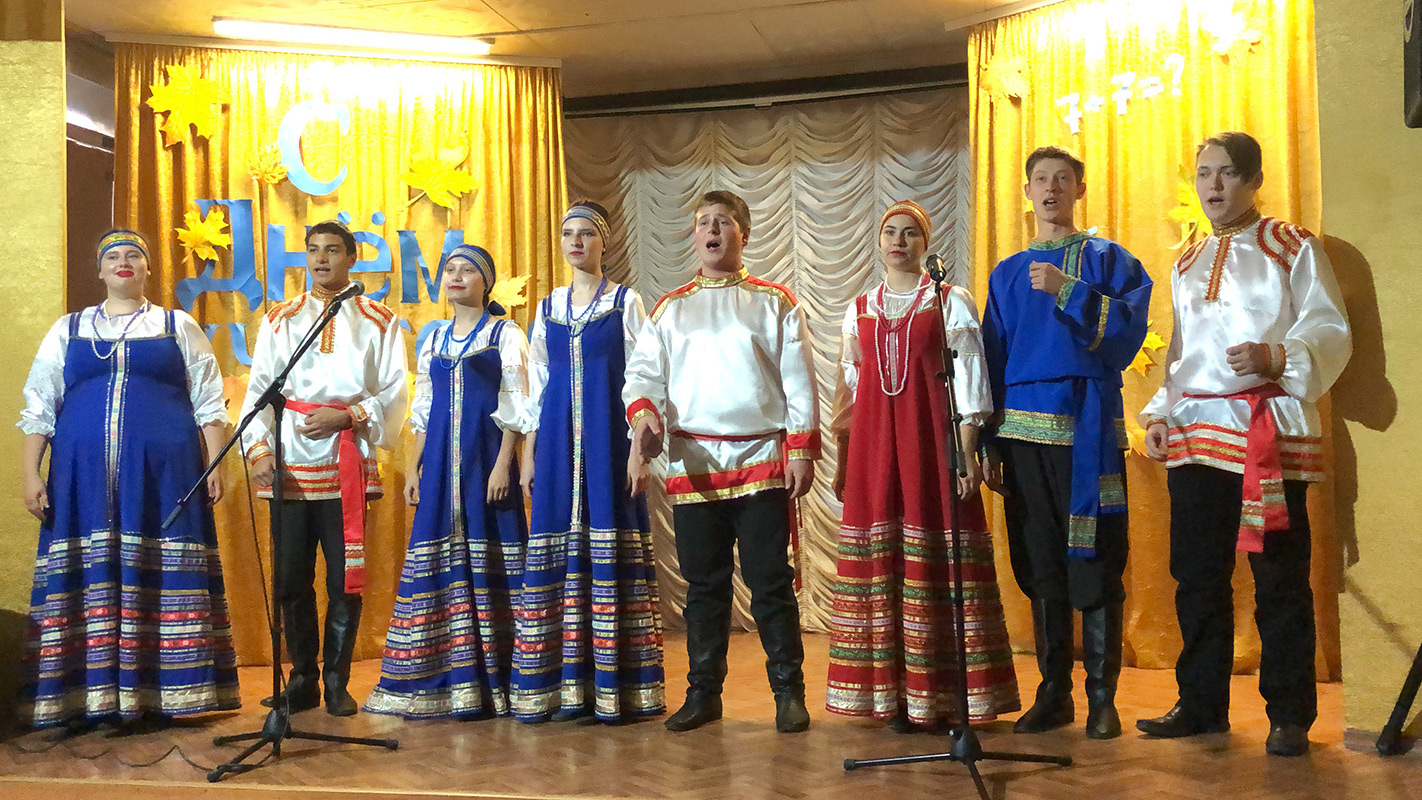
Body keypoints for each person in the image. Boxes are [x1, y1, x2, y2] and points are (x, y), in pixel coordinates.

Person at [1136, 132, 1351, 757]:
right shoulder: (1186, 261)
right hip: (1196, 432)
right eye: (1204, 173)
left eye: (1227, 173)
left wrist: (1276, 356)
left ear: (1254, 180)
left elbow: (1330, 325)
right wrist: (1161, 411)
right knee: (1196, 575)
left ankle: (1289, 714)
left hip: (1266, 431)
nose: (1213, 185)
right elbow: (1182, 350)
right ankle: (1201, 704)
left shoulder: (1291, 245)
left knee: (1278, 577)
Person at [19, 229, 239, 730]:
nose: (124, 262)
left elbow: (209, 400)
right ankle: (87, 697)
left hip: (166, 477)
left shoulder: (177, 325)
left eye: (134, 255)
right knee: (89, 574)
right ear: (99, 271)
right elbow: (40, 406)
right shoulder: (69, 329)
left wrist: (216, 463)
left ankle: (167, 694)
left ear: (147, 268)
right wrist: (31, 472)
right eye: (113, 256)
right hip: (81, 480)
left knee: (159, 571)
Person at [624, 190, 820, 734]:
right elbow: (643, 376)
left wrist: (801, 448)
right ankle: (703, 694)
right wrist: (645, 419)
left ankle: (788, 693)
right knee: (703, 586)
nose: (712, 230)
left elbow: (799, 380)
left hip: (761, 459)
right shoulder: (670, 309)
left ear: (743, 234)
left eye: (723, 222)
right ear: (694, 236)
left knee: (770, 581)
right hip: (695, 464)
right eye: (703, 222)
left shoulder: (775, 301)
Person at [826, 201, 1019, 731]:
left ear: (926, 243)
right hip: (874, 449)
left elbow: (970, 380)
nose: (899, 241)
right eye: (890, 232)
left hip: (931, 443)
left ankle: (943, 695)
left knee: (937, 558)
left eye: (910, 233)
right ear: (879, 240)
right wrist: (843, 461)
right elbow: (849, 391)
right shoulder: (860, 308)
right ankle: (889, 696)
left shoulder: (948, 300)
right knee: (883, 560)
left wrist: (967, 451)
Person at [981, 146, 1152, 739]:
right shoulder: (1005, 274)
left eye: (1062, 179)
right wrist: (989, 442)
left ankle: (1102, 698)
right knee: (1041, 560)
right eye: (1040, 179)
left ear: (1079, 189)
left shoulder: (1109, 260)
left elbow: (1127, 335)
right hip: (1023, 434)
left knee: (1099, 555)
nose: (1050, 188)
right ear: (1027, 191)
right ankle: (1053, 693)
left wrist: (1068, 289)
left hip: (1087, 432)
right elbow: (991, 359)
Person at [240, 220, 407, 717]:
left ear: (351, 257)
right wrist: (260, 450)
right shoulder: (282, 318)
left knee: (343, 581)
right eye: (313, 250)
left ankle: (337, 680)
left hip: (345, 460)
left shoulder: (379, 320)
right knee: (291, 579)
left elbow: (394, 391)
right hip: (290, 460)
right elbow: (261, 389)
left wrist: (349, 415)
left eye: (332, 250)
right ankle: (302, 680)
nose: (321, 259)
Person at [364, 244, 530, 719]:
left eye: (467, 270)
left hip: (485, 458)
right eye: (450, 270)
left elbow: (516, 402)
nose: (456, 277)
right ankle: (437, 676)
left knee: (491, 554)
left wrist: (504, 464)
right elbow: (424, 407)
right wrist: (414, 466)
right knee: (435, 552)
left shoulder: (504, 334)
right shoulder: (434, 337)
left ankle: (496, 679)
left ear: (486, 282)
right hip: (439, 463)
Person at [514, 202, 665, 724]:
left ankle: (617, 689)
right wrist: (529, 455)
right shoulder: (548, 307)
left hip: (607, 444)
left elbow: (644, 376)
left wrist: (637, 452)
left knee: (609, 547)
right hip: (556, 444)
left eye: (585, 234)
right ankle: (559, 690)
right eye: (567, 233)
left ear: (604, 242)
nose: (575, 242)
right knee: (555, 551)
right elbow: (537, 383)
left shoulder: (625, 302)